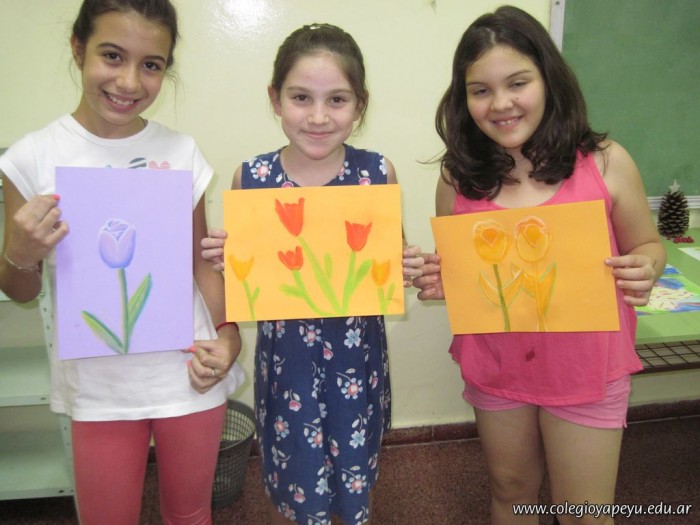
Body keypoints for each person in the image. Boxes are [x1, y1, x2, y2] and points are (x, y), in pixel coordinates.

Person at [412, 6, 665, 525]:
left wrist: (646, 265)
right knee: (511, 489)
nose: (500, 103)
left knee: (584, 511)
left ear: (548, 79)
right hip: (497, 366)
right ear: (463, 99)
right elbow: (465, 277)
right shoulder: (457, 178)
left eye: (517, 83)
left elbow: (647, 244)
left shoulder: (606, 162)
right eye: (480, 90)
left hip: (586, 367)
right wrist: (443, 281)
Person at [0, 1, 243, 523]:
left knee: (190, 515)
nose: (129, 81)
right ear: (78, 49)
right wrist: (19, 255)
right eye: (112, 55)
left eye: (151, 64)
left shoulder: (180, 151)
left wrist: (229, 335)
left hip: (188, 373)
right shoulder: (31, 157)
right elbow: (21, 289)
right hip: (98, 386)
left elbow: (200, 263)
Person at [201, 23, 424, 525]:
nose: (319, 117)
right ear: (275, 99)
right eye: (301, 97)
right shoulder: (251, 179)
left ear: (360, 104)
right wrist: (226, 259)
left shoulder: (376, 173)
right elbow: (244, 274)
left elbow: (392, 258)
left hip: (355, 360)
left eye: (337, 100)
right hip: (289, 366)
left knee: (354, 472)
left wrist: (406, 264)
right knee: (295, 475)